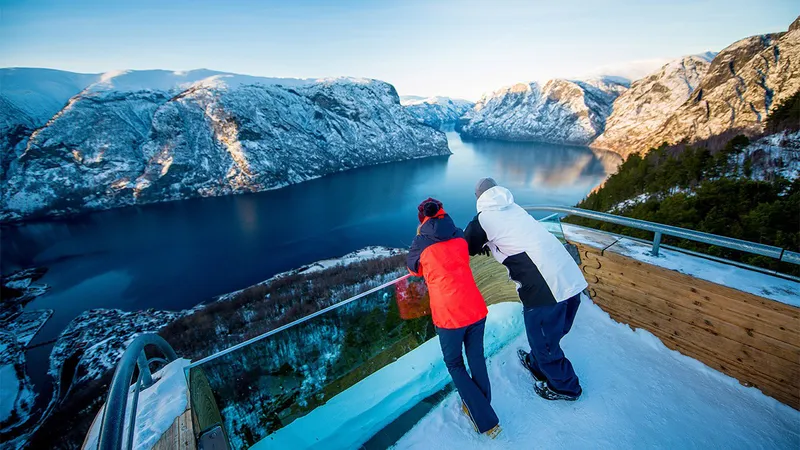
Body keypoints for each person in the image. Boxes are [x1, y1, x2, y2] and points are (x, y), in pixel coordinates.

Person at [465, 178, 588, 401]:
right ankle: (536, 364)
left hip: (546, 289)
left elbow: (464, 245)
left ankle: (567, 388)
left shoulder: (483, 219)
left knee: (544, 342)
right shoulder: (514, 207)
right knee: (548, 335)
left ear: (478, 198)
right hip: (570, 278)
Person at [407, 197, 501, 438]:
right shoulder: (459, 234)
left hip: (449, 314)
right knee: (476, 358)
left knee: (455, 364)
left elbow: (413, 269)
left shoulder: (421, 241)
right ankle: (480, 404)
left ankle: (485, 418)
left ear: (422, 219)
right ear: (442, 212)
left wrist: (420, 239)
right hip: (474, 306)